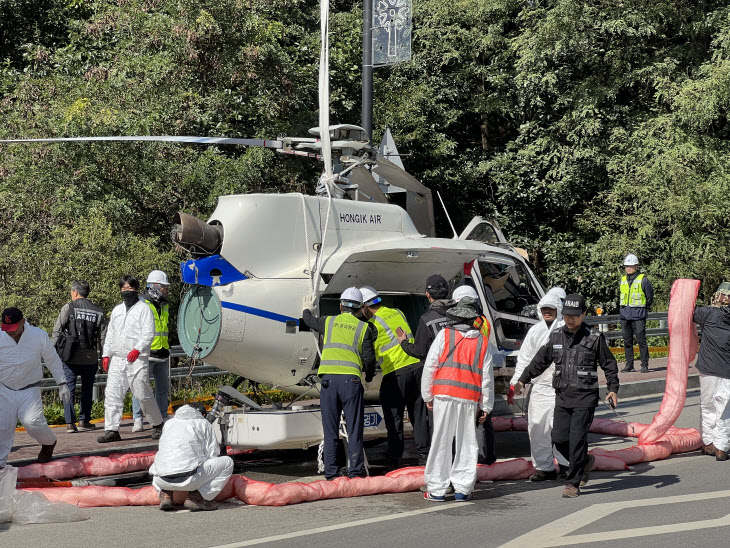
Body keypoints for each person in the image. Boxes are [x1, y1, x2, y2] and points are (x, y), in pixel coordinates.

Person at [515, 294, 619, 498]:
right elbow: (539, 361)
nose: (570, 319)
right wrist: (522, 379)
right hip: (562, 397)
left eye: (574, 315)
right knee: (559, 438)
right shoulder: (556, 337)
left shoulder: (594, 338)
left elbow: (609, 364)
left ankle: (573, 482)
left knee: (577, 439)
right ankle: (584, 462)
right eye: (566, 315)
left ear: (583, 315)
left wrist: (613, 388)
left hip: (585, 398)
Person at [421, 297, 494, 501]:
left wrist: (427, 394)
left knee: (441, 440)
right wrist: (486, 406)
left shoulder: (445, 335)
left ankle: (436, 489)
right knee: (467, 443)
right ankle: (463, 489)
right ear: (474, 319)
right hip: (469, 398)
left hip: (444, 395)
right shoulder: (482, 341)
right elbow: (487, 378)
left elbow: (430, 366)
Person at [301, 287, 376, 479]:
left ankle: (332, 473)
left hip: (328, 382)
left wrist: (306, 309)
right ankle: (355, 471)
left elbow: (309, 321)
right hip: (351, 381)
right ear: (360, 308)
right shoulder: (364, 327)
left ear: (341, 305)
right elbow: (369, 359)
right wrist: (367, 378)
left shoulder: (329, 321)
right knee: (354, 428)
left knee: (330, 429)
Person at [390, 274, 456, 466]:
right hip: (463, 379)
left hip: (440, 382)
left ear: (428, 295)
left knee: (440, 427)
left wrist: (403, 343)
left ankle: (440, 469)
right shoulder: (460, 315)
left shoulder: (427, 319)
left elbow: (419, 352)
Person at [507, 291, 569, 481]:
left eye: (550, 309)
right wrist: (515, 383)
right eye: (544, 309)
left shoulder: (566, 328)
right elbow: (525, 358)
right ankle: (545, 468)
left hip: (562, 386)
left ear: (558, 309)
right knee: (537, 427)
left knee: (560, 429)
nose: (547, 312)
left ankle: (567, 465)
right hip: (540, 386)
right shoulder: (535, 331)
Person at [360, 286, 423, 469]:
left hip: (396, 373)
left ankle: (395, 462)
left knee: (394, 419)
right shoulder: (397, 312)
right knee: (418, 417)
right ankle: (424, 458)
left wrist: (368, 374)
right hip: (416, 367)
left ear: (365, 307)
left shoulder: (371, 325)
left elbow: (368, 354)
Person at [0, 307, 71, 466]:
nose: (9, 332)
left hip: (29, 388)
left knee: (33, 422)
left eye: (12, 328)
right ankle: (0, 464)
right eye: (6, 328)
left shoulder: (38, 335)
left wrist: (62, 383)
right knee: (2, 427)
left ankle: (48, 443)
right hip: (4, 389)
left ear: (23, 322)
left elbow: (52, 359)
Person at [98, 275, 164, 443]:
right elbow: (111, 334)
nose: (127, 292)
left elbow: (148, 333)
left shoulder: (144, 309)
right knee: (112, 394)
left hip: (137, 359)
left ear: (136, 289)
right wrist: (106, 354)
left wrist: (137, 349)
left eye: (130, 289)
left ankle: (157, 424)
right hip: (118, 359)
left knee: (142, 393)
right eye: (124, 289)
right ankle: (112, 429)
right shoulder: (117, 310)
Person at [150, 403, 234, 511]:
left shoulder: (169, 423)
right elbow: (212, 454)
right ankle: (196, 498)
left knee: (161, 461)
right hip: (189, 480)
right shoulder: (203, 423)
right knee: (227, 462)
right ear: (202, 414)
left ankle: (166, 494)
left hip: (160, 480)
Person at [51, 280, 106, 433]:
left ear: (75, 292)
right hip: (91, 358)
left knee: (69, 388)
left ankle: (70, 423)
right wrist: (104, 357)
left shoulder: (68, 308)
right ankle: (84, 420)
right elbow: (103, 339)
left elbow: (56, 332)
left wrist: (50, 352)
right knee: (88, 389)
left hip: (70, 357)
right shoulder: (98, 311)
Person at [693, 282, 730, 461]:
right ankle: (722, 448)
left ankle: (708, 444)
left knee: (707, 405)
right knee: (724, 409)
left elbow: (688, 310)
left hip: (708, 368)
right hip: (728, 370)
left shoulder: (708, 313)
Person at [131, 270, 171, 432]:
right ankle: (138, 418)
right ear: (154, 286)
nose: (165, 290)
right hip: (145, 354)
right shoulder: (140, 304)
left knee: (162, 389)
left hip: (162, 352)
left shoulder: (165, 304)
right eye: (163, 287)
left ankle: (162, 417)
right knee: (140, 388)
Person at [618, 254, 654, 373]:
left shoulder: (643, 279)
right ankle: (629, 365)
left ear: (636, 266)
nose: (628, 268)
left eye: (631, 266)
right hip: (625, 315)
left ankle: (644, 365)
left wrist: (644, 309)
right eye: (627, 266)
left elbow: (649, 297)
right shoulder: (622, 280)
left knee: (641, 340)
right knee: (627, 341)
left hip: (638, 315)